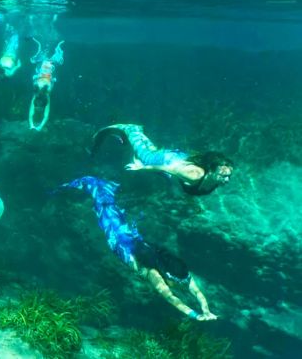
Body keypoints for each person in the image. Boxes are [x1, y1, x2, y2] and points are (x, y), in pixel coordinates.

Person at [59, 176, 217, 321]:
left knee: (111, 213)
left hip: (132, 239)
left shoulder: (180, 270)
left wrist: (206, 309)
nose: (185, 284)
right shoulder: (153, 274)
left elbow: (197, 292)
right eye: (181, 281)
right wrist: (196, 315)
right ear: (169, 274)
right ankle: (90, 186)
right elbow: (171, 299)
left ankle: (99, 187)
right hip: (119, 244)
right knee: (105, 214)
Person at [91, 124, 234, 195]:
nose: (227, 180)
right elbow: (166, 168)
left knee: (151, 151)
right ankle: (132, 130)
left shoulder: (213, 180)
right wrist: (141, 168)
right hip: (167, 161)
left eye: (228, 176)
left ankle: (139, 135)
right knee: (144, 155)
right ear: (212, 170)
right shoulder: (193, 174)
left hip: (176, 160)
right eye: (224, 175)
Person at [28, 38, 64, 131]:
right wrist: (34, 125)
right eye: (39, 108)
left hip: (48, 69)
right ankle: (57, 45)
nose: (37, 109)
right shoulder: (38, 95)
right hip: (43, 68)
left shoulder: (44, 96)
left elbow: (45, 115)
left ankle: (58, 45)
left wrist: (36, 126)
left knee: (55, 59)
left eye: (37, 108)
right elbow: (34, 113)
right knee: (40, 56)